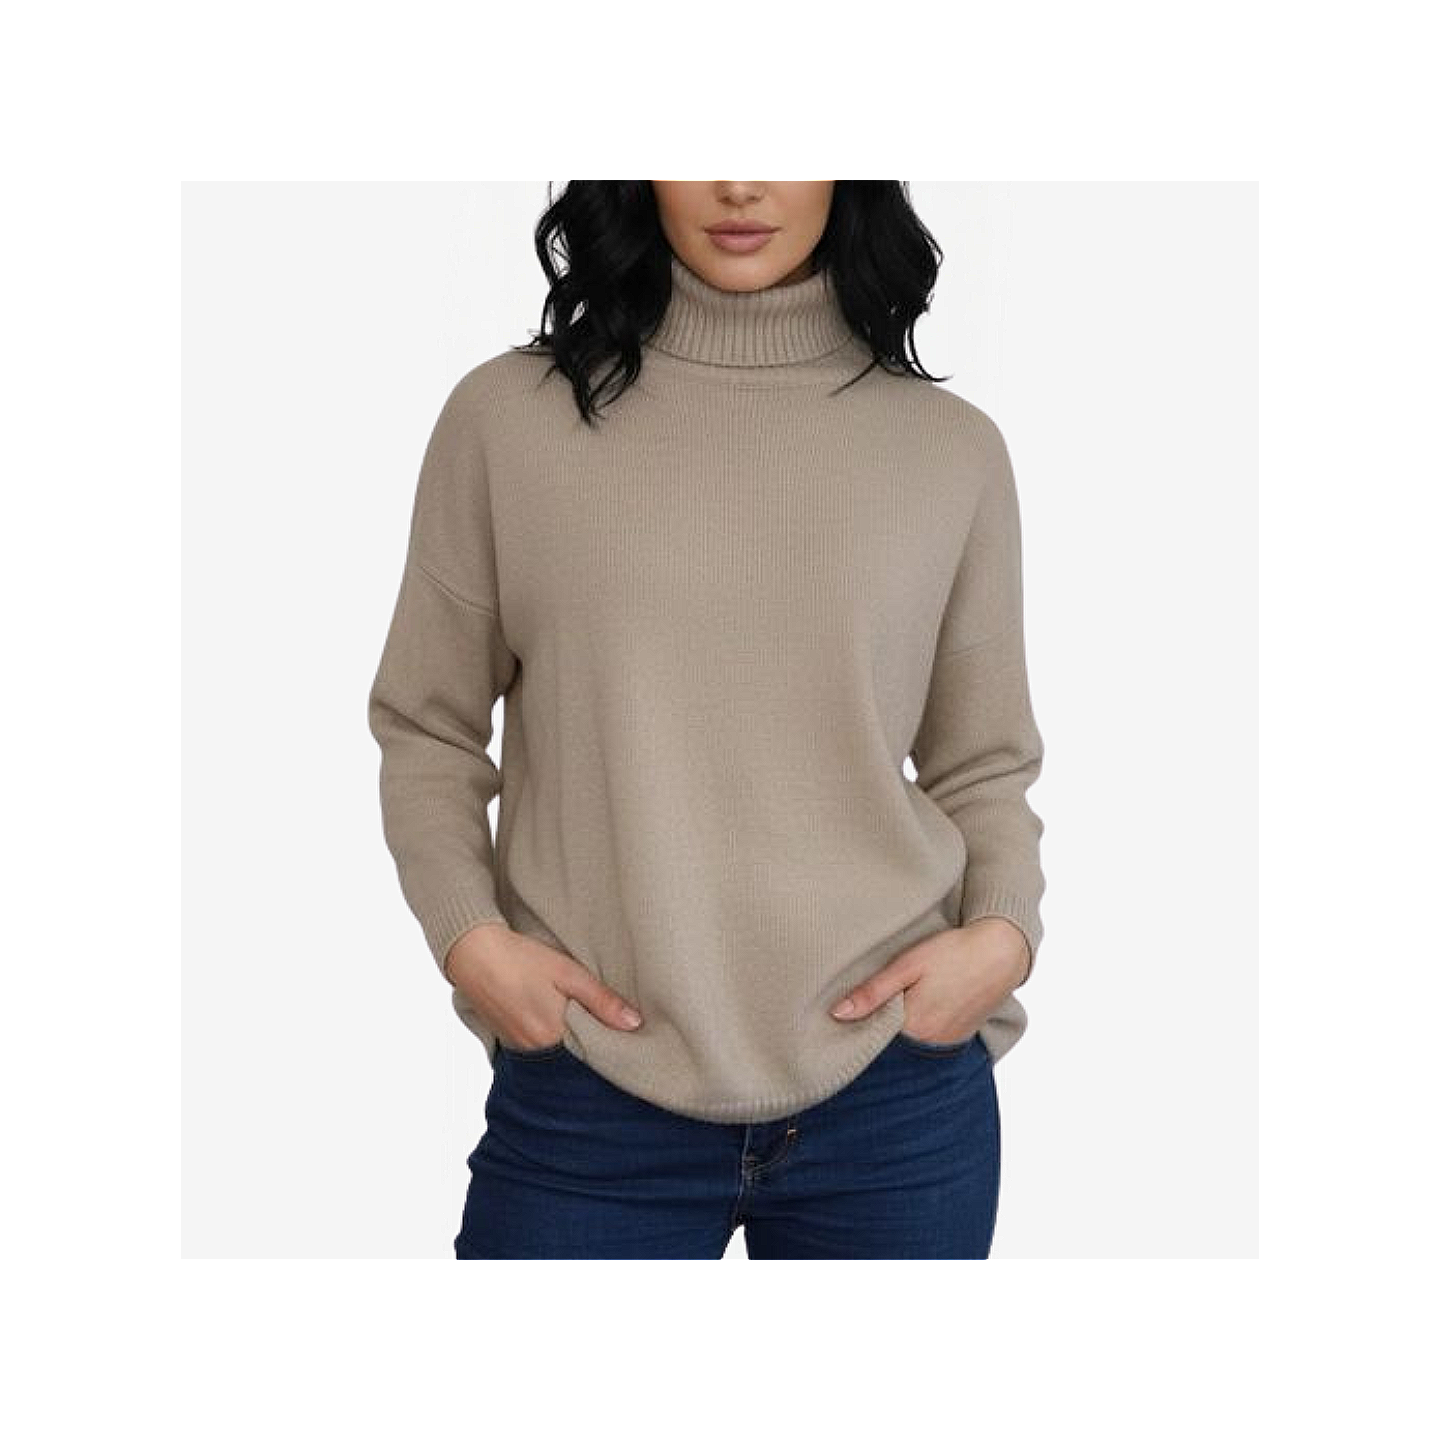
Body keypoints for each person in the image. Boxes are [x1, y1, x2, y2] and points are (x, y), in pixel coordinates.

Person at [366, 180, 1047, 1259]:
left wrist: (1002, 936)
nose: (740, 183)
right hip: (588, 1095)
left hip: (893, 1104)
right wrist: (474, 944)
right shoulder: (506, 422)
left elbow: (983, 761)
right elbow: (429, 724)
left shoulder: (949, 450)